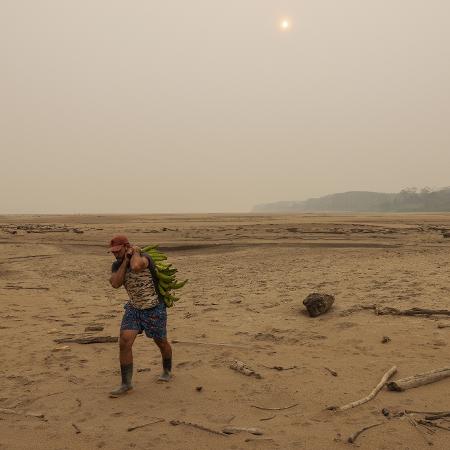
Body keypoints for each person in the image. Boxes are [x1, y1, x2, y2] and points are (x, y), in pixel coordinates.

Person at [108, 234, 172, 397]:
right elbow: (115, 283)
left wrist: (134, 253)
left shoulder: (144, 258)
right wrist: (123, 262)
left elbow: (136, 267)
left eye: (118, 250)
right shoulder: (117, 265)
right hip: (134, 308)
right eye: (113, 251)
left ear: (126, 246)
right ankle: (126, 383)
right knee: (124, 341)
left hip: (154, 308)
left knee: (161, 342)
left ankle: (167, 369)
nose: (115, 254)